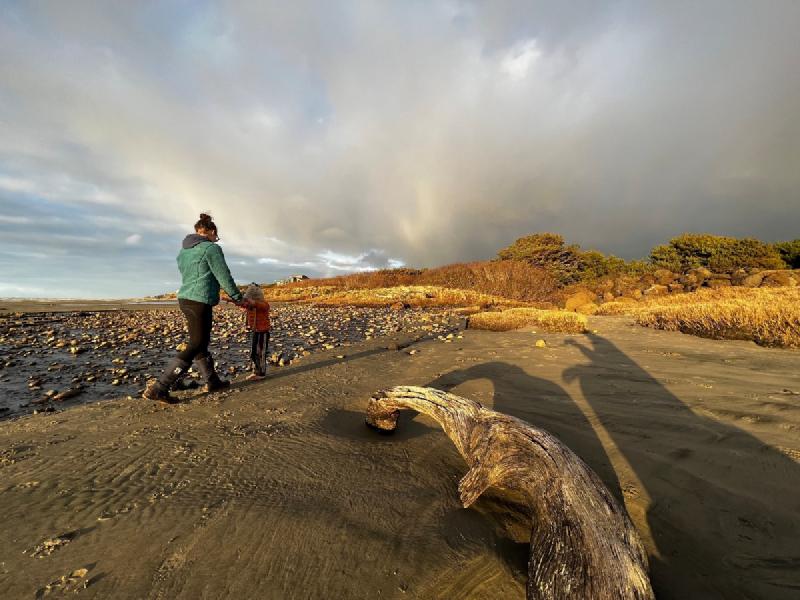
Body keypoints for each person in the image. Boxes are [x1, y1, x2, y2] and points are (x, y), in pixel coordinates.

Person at [144, 212, 245, 403]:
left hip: (185, 299)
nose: (216, 239)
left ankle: (212, 381)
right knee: (197, 343)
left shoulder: (183, 251)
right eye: (216, 236)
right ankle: (160, 387)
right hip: (200, 301)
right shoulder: (211, 248)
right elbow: (223, 275)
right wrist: (238, 298)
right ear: (212, 232)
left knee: (200, 341)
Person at [240, 283, 271, 380]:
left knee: (260, 353)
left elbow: (262, 306)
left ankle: (261, 373)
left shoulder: (263, 304)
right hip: (256, 331)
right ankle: (256, 371)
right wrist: (230, 300)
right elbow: (243, 304)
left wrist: (253, 302)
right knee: (254, 353)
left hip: (263, 332)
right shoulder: (250, 306)